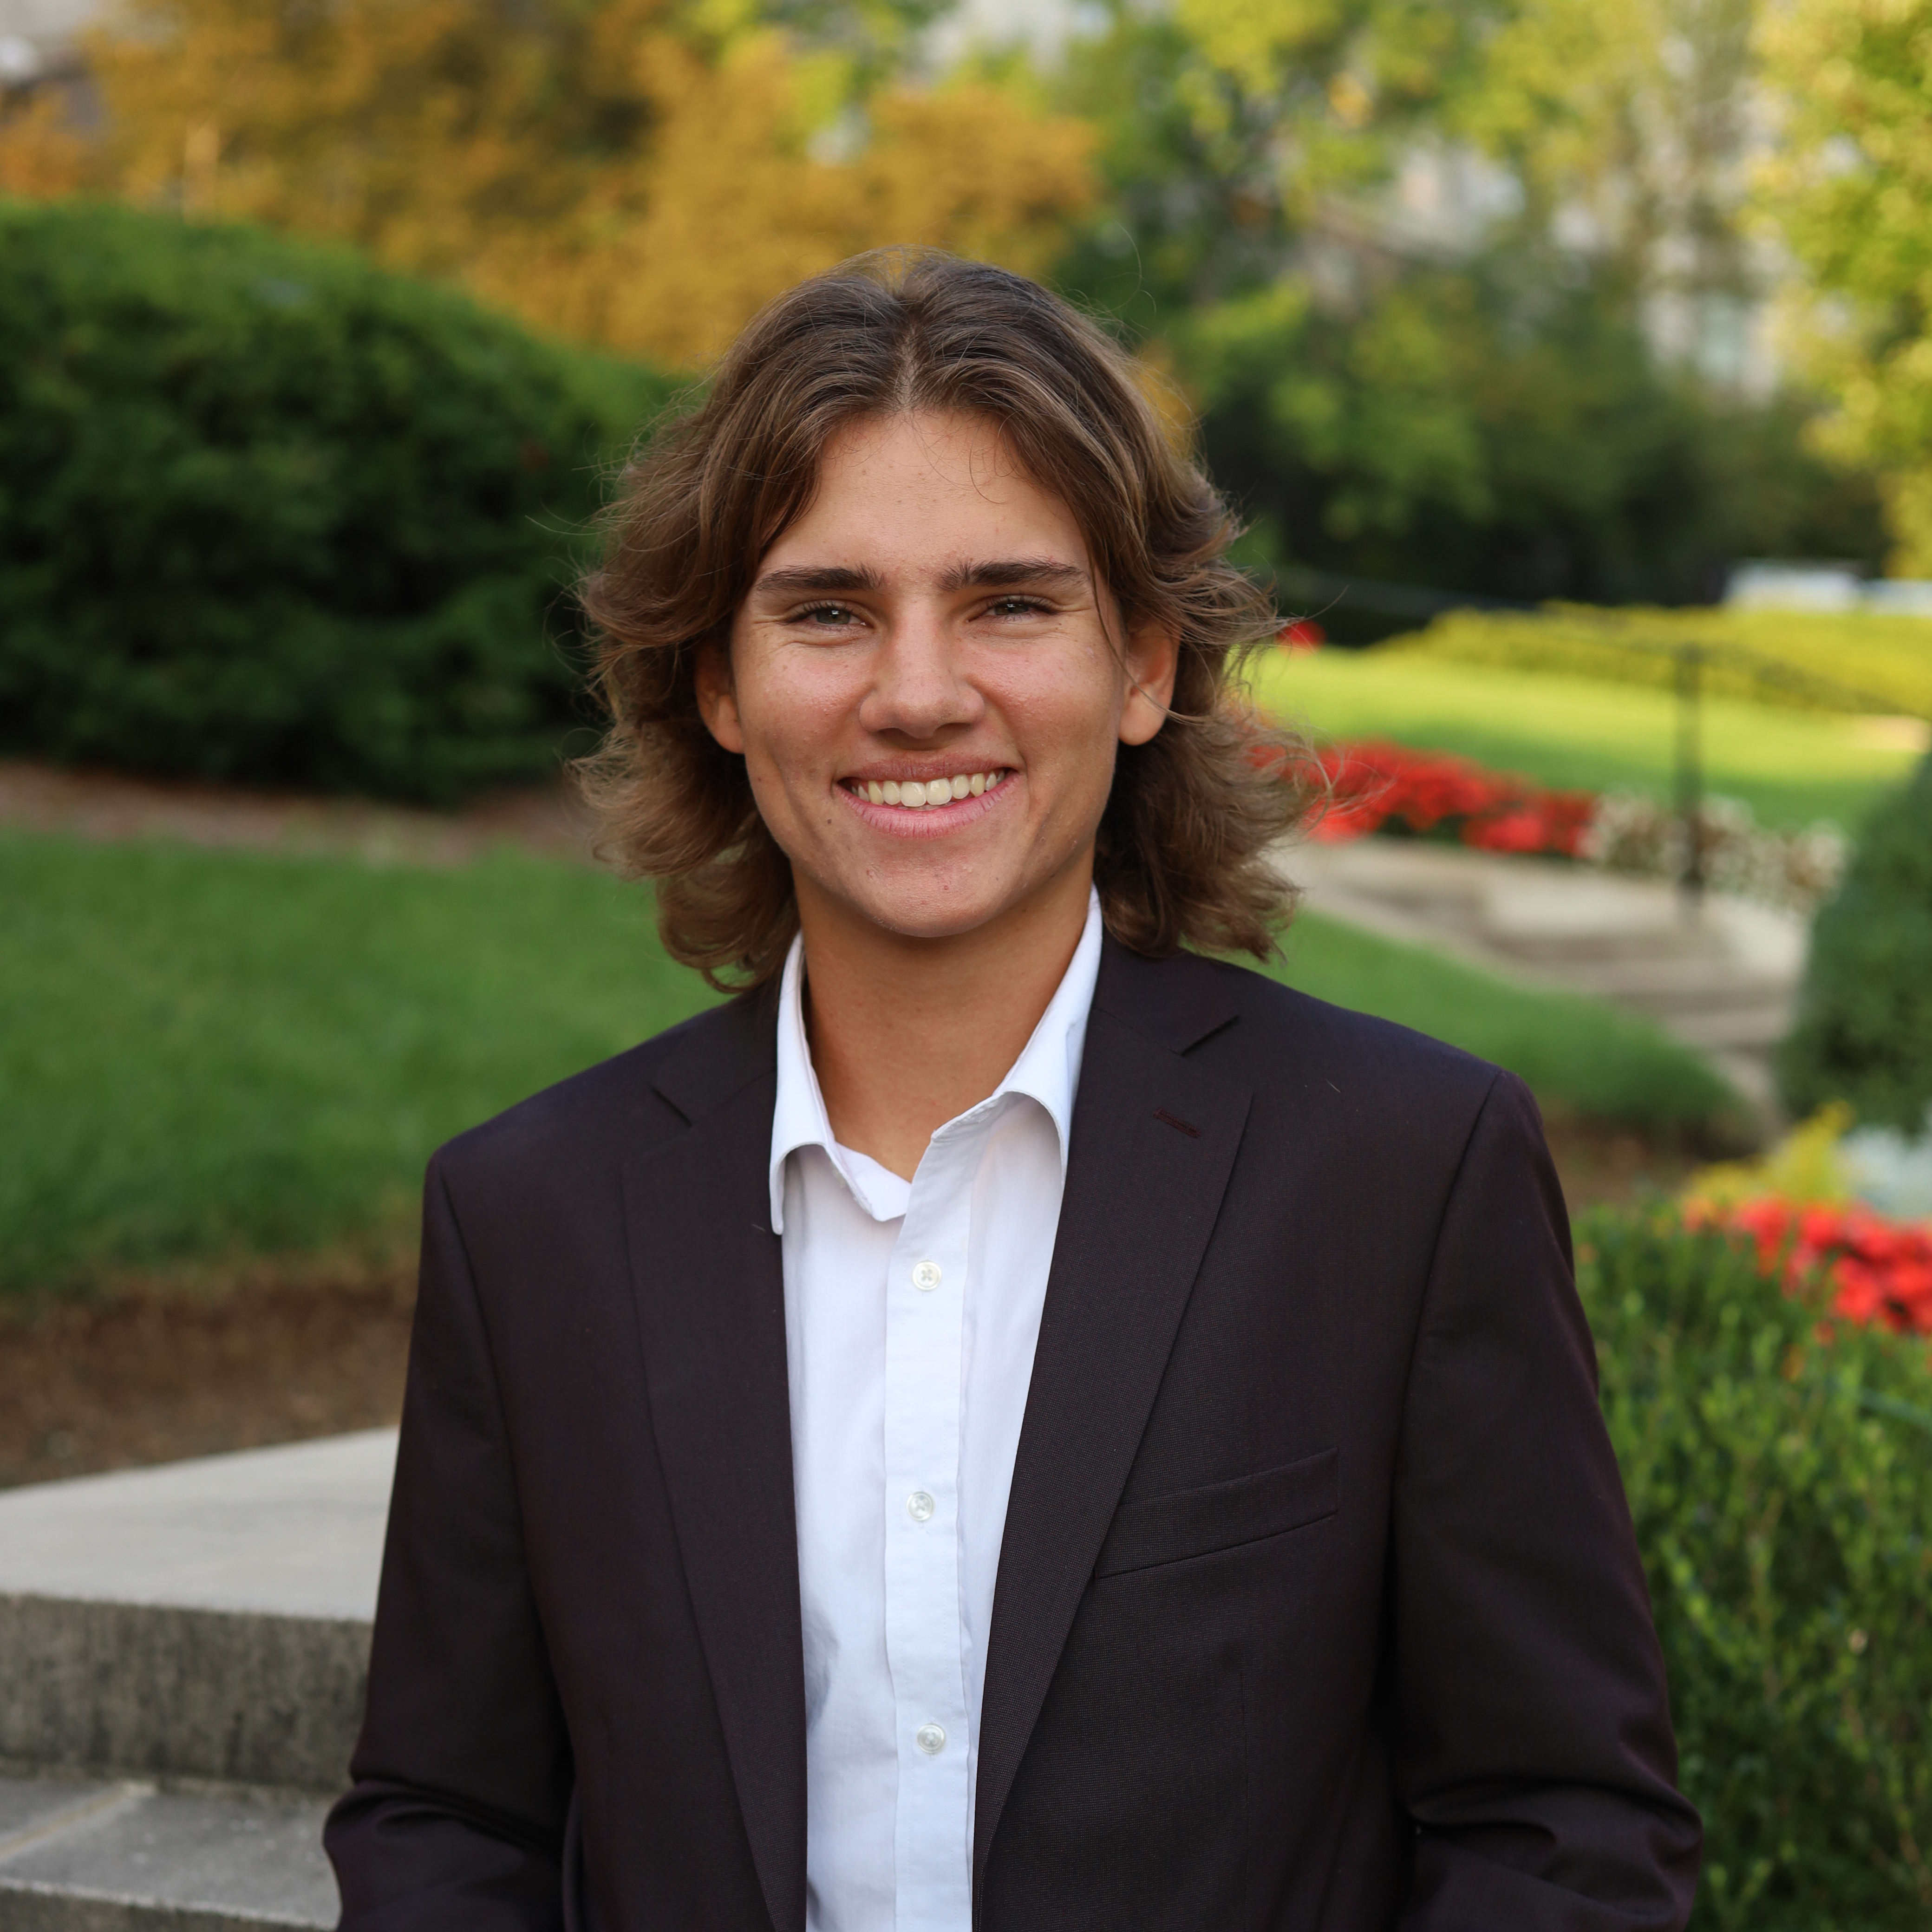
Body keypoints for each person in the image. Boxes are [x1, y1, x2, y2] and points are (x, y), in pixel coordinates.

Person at [325, 250, 1700, 1932]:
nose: (916, 692)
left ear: (1139, 668)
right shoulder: (530, 1217)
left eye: (1009, 601)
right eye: (827, 609)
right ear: (718, 683)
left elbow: (1562, 1831)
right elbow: (444, 1825)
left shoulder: (1401, 1175)